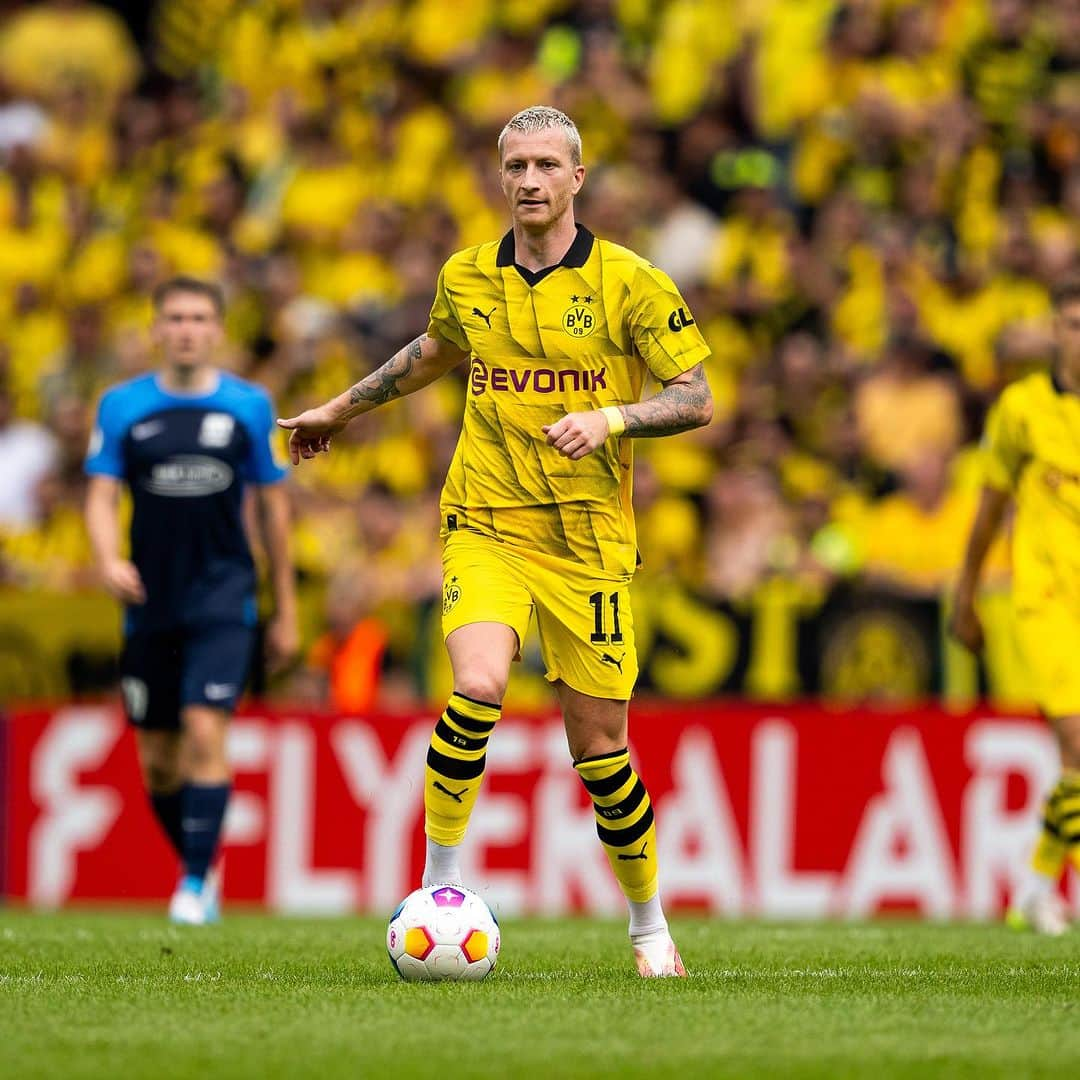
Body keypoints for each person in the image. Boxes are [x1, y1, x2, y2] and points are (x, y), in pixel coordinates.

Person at [279, 106, 712, 976]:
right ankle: (438, 889)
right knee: (476, 684)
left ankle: (648, 924)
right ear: (499, 175)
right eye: (515, 165)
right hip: (485, 521)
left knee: (600, 751)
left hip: (588, 542)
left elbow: (695, 396)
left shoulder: (633, 282)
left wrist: (612, 417)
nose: (528, 181)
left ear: (577, 179)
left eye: (547, 165)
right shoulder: (468, 275)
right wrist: (340, 408)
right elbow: (433, 351)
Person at [85, 275, 298, 924]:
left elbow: (273, 508)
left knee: (206, 728)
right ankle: (197, 867)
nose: (186, 329)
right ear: (156, 328)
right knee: (158, 760)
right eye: (174, 317)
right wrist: (107, 558)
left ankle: (194, 884)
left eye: (199, 317)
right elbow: (98, 493)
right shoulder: (121, 406)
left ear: (217, 330)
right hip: (149, 599)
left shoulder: (249, 406)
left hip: (223, 594)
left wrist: (283, 604)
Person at [951, 276, 1080, 935]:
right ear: (1055, 331)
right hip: (1047, 600)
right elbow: (989, 509)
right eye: (1072, 325)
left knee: (1075, 766)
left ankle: (1035, 884)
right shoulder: (1022, 408)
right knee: (1078, 741)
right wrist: (965, 592)